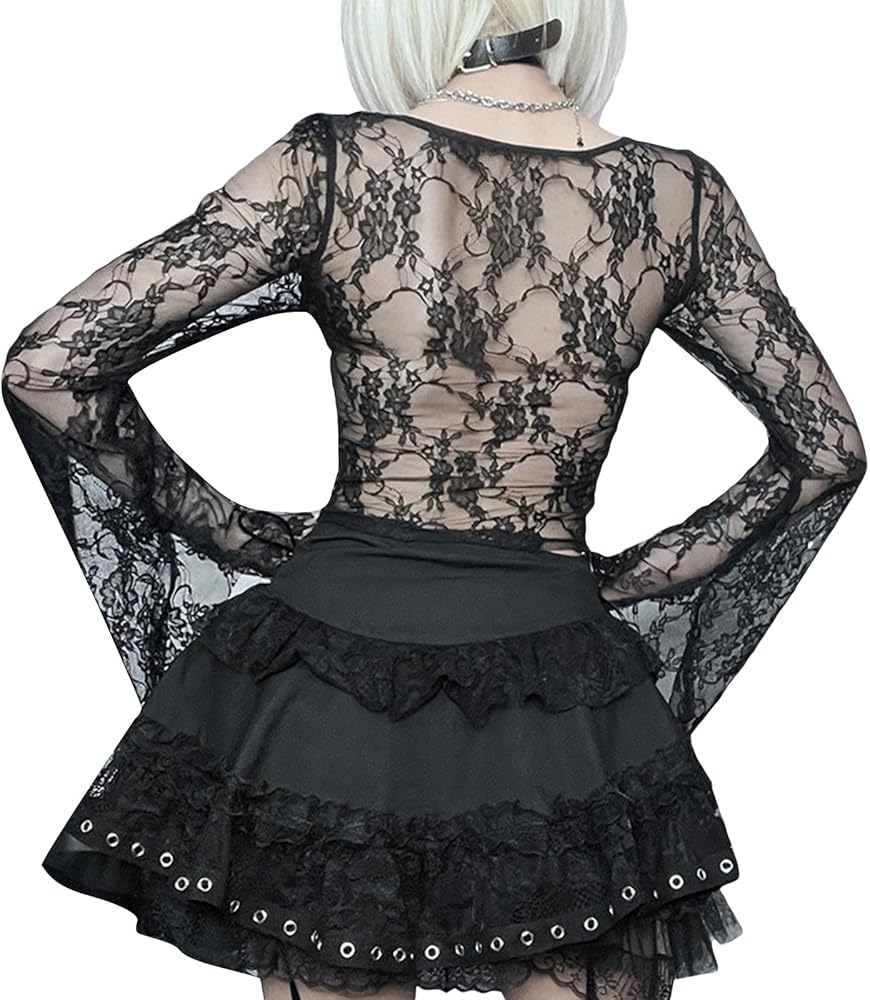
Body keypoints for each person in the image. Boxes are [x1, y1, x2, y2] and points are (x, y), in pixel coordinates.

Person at [3, 2, 865, 999]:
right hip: (562, 696)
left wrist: (234, 532)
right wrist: (627, 579)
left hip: (328, 689)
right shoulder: (677, 196)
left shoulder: (334, 164)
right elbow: (827, 450)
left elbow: (49, 366)